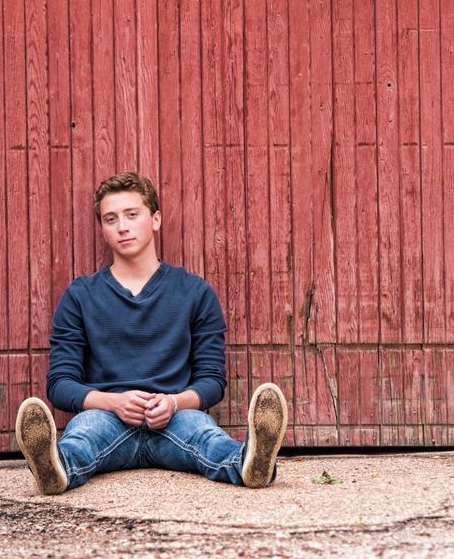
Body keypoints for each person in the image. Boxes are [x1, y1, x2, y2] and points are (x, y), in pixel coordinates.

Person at [15, 171, 287, 495]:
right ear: (102, 229)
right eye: (111, 219)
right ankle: (54, 469)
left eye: (132, 215)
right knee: (82, 437)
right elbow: (60, 384)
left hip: (174, 418)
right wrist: (114, 402)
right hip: (106, 418)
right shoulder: (79, 297)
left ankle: (250, 465)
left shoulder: (195, 293)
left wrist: (174, 402)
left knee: (205, 436)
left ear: (155, 220)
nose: (122, 226)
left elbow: (212, 381)